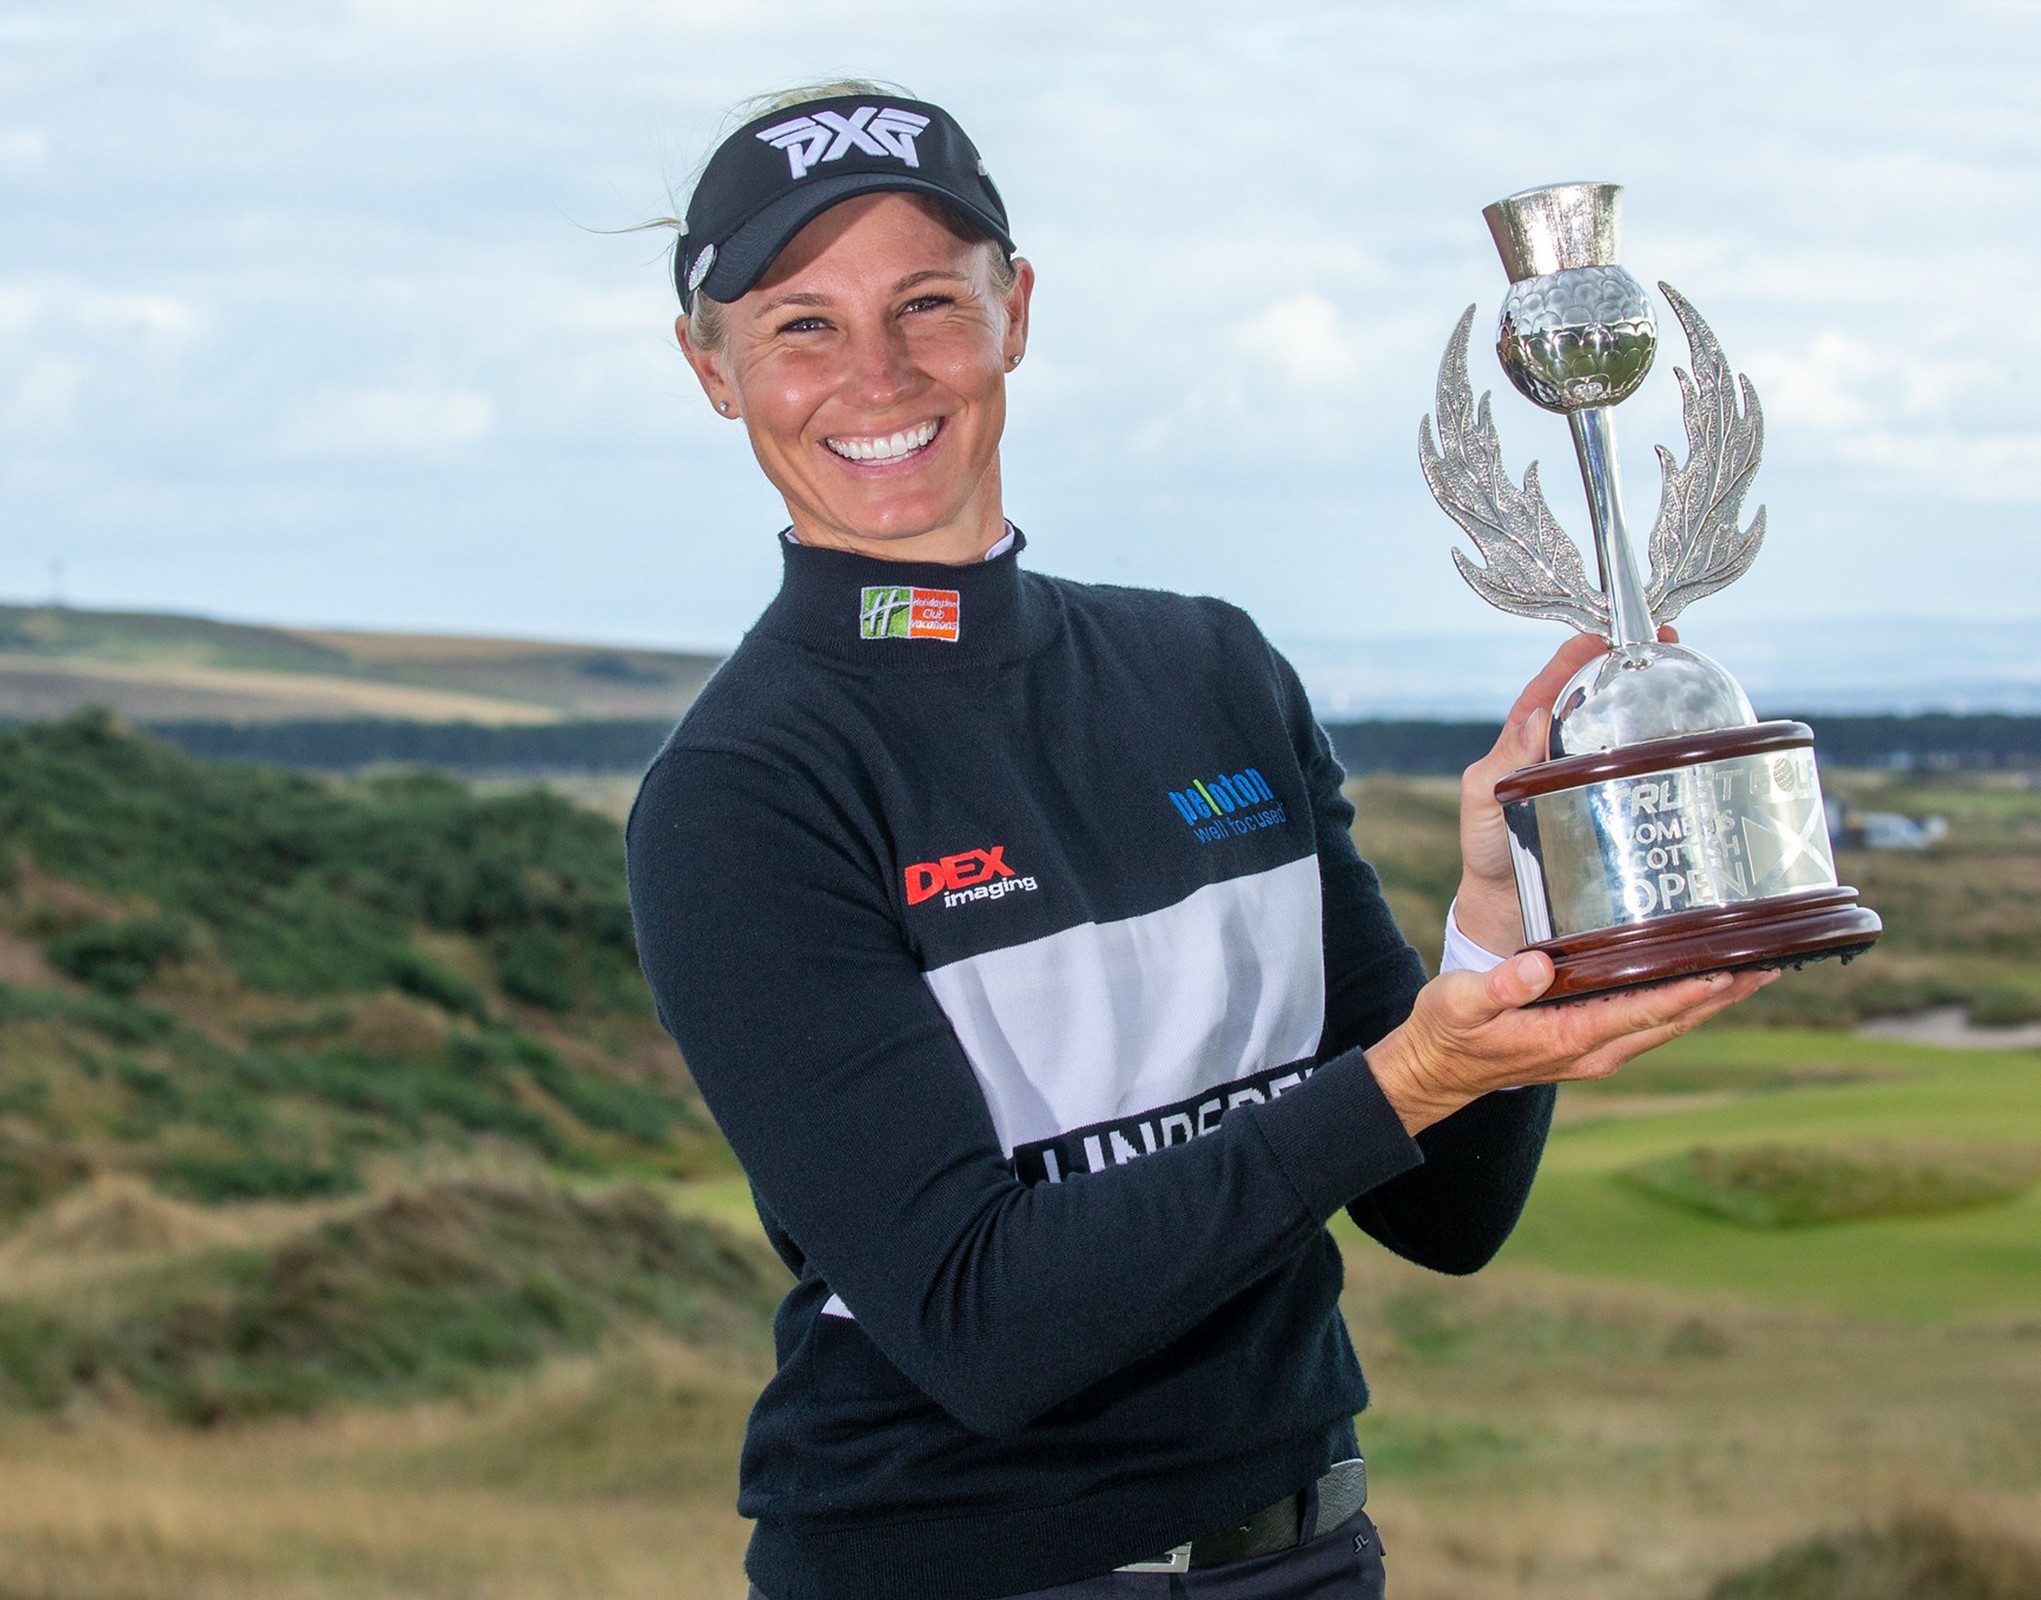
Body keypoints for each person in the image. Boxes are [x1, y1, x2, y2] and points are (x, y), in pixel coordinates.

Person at [623, 80, 1778, 1600]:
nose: (880, 373)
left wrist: (1507, 927)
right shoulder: (743, 792)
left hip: (1303, 1552)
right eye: (800, 326)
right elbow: (987, 1322)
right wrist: (1410, 1073)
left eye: (927, 303)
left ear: (1015, 311)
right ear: (715, 371)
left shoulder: (1212, 673)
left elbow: (1444, 1212)